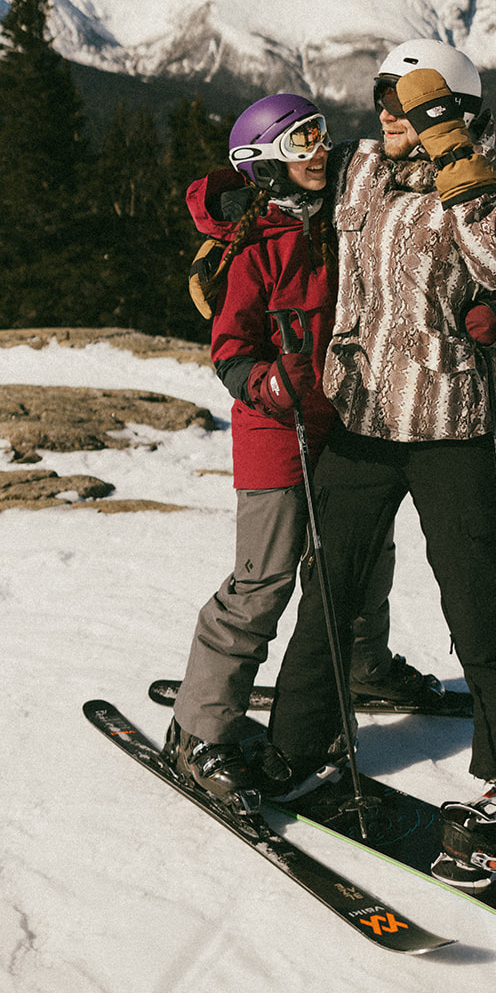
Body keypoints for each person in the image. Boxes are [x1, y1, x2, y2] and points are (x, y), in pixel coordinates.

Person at [262, 40, 496, 877]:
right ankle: (294, 747)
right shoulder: (357, 168)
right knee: (331, 588)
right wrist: (230, 198)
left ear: (454, 113)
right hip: (359, 419)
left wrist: (450, 151)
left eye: (412, 101)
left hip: (449, 425)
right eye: (384, 98)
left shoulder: (487, 194)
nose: (389, 113)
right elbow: (286, 196)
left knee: (475, 601)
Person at [165, 91, 436, 810]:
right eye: (297, 140)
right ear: (262, 163)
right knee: (263, 581)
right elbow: (228, 349)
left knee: (363, 554)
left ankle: (365, 665)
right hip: (275, 430)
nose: (317, 149)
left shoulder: (347, 221)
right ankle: (200, 729)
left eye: (318, 131)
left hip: (347, 419)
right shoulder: (253, 247)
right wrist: (265, 383)